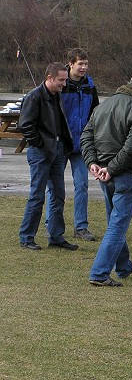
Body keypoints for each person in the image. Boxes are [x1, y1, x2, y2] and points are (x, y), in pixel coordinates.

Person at [80, 69, 132, 286]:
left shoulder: (103, 105)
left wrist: (93, 163)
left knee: (115, 221)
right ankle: (99, 273)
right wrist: (111, 169)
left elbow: (86, 136)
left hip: (105, 174)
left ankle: (123, 266)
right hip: (123, 175)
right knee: (117, 225)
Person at [18, 62, 79, 251]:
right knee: (37, 195)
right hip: (41, 153)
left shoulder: (56, 95)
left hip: (57, 151)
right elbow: (26, 125)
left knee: (58, 195)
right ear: (49, 78)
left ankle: (56, 236)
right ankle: (27, 236)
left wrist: (61, 145)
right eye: (61, 80)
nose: (64, 84)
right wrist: (41, 144)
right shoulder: (34, 97)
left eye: (65, 80)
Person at [46, 48, 100, 241]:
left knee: (82, 185)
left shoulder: (90, 87)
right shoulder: (61, 85)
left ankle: (81, 227)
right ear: (70, 64)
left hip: (81, 145)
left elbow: (95, 114)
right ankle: (51, 225)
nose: (84, 67)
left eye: (86, 64)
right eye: (80, 64)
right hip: (61, 144)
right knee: (55, 187)